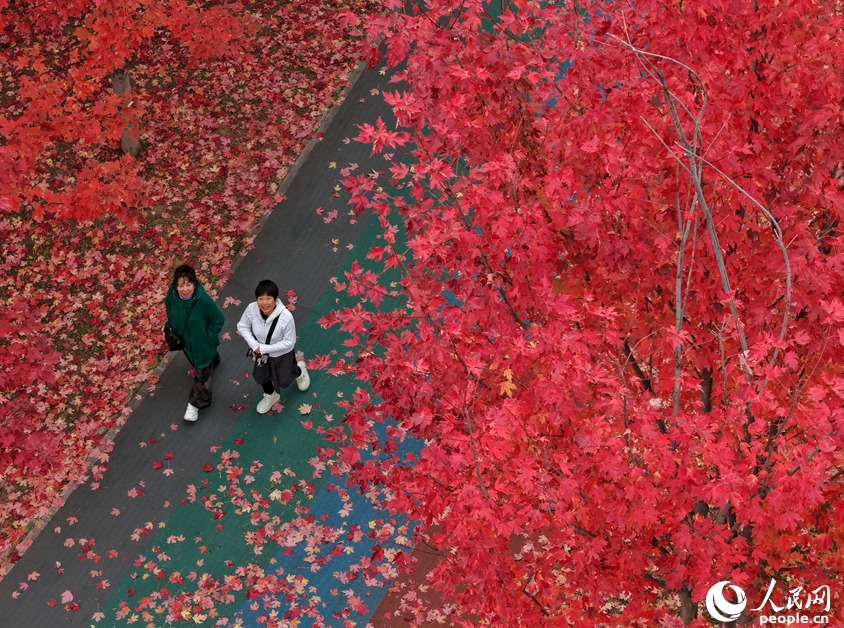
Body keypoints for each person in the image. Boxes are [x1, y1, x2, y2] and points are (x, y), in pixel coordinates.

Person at [237, 279, 309, 414]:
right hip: (261, 354)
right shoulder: (251, 309)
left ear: (276, 299)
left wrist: (263, 348)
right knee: (261, 377)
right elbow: (242, 326)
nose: (264, 303)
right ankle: (270, 395)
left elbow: (289, 342)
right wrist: (254, 344)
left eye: (268, 298)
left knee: (285, 380)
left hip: (281, 354)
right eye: (260, 299)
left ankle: (300, 372)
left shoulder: (286, 317)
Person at [164, 264, 225, 421]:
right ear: (176, 286)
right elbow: (168, 305)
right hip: (186, 343)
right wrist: (172, 322)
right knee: (202, 362)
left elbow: (219, 319)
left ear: (194, 283)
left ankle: (194, 405)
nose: (185, 289)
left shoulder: (203, 301)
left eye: (188, 284)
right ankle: (214, 359)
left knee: (202, 377)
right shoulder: (172, 296)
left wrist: (209, 336)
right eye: (181, 285)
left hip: (202, 344)